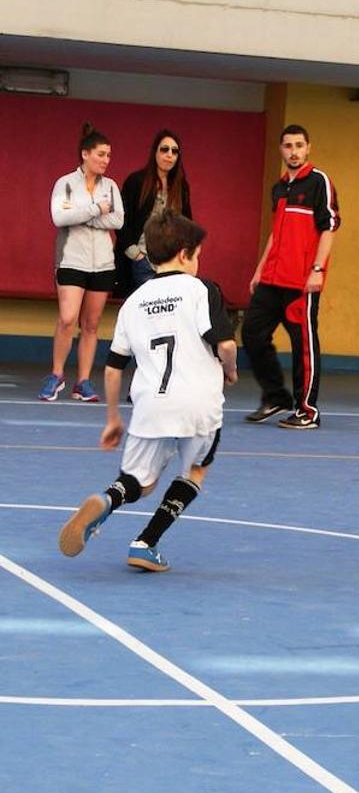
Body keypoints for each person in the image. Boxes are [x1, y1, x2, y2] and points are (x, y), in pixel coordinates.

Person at [58, 210, 238, 573]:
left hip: (150, 405)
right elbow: (227, 346)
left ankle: (107, 500)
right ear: (185, 254)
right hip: (198, 403)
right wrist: (229, 370)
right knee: (195, 471)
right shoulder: (202, 289)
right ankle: (146, 542)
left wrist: (112, 419)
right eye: (198, 254)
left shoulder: (134, 302)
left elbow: (112, 369)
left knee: (140, 481)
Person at [241, 124, 340, 429]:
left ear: (308, 148)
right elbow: (275, 234)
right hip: (272, 279)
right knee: (252, 333)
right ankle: (275, 396)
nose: (294, 151)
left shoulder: (319, 182)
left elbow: (330, 228)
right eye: (288, 146)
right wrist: (259, 269)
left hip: (302, 282)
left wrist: (317, 269)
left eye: (299, 145)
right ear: (281, 149)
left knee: (304, 347)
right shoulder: (279, 186)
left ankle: (307, 410)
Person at [40, 123, 124, 403]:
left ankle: (83, 382)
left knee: (91, 324)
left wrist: (83, 214)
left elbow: (118, 220)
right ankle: (56, 375)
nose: (106, 160)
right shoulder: (65, 183)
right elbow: (59, 217)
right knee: (67, 319)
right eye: (101, 154)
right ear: (85, 154)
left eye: (109, 155)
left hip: (102, 263)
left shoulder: (110, 186)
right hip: (71, 260)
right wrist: (95, 209)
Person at [117, 129, 193, 294]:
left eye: (174, 151)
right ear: (155, 152)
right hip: (142, 260)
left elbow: (187, 225)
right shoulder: (137, 181)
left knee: (165, 316)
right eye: (164, 149)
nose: (169, 155)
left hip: (170, 264)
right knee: (143, 314)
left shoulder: (181, 186)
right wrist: (135, 254)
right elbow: (120, 219)